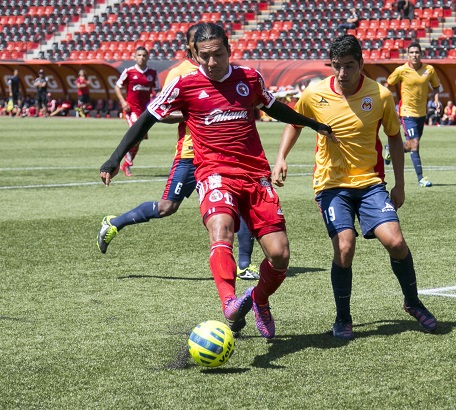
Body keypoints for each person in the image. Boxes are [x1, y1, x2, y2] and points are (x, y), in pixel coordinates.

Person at [98, 23, 333, 339]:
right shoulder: (184, 84)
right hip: (213, 173)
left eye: (218, 55)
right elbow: (147, 119)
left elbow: (273, 107)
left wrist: (312, 124)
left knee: (280, 255)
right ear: (194, 53)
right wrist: (115, 158)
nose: (211, 62)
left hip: (254, 175)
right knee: (220, 229)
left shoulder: (249, 78)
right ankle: (230, 304)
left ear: (229, 50)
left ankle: (259, 300)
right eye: (204, 56)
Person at [271, 35, 437, 339]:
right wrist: (281, 157)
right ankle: (343, 317)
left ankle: (413, 303)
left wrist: (399, 185)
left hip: (371, 184)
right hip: (331, 185)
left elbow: (394, 138)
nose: (343, 74)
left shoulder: (381, 95)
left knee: (396, 243)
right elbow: (294, 123)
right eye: (337, 67)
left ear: (361, 63)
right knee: (345, 247)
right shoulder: (314, 93)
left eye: (349, 66)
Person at [97, 24, 259, 280]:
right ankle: (114, 224)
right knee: (167, 207)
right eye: (200, 47)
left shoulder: (224, 69)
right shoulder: (180, 74)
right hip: (190, 153)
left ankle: (244, 264)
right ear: (190, 48)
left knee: (240, 203)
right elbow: (159, 113)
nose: (209, 55)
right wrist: (192, 111)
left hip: (223, 154)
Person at [385, 42, 440, 187]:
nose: (414, 55)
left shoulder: (429, 70)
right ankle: (421, 178)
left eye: (417, 52)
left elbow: (436, 87)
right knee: (415, 144)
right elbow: (388, 85)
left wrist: (437, 100)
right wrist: (386, 100)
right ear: (408, 55)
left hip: (421, 114)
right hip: (407, 112)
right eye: (412, 52)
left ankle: (389, 149)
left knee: (410, 145)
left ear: (421, 54)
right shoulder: (401, 70)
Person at [114, 46, 159, 177]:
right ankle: (127, 164)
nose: (141, 57)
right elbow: (117, 86)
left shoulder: (152, 73)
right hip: (131, 110)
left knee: (138, 139)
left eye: (144, 55)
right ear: (134, 57)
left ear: (148, 57)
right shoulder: (129, 71)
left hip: (145, 111)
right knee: (136, 136)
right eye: (139, 55)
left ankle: (127, 163)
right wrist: (123, 102)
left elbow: (157, 91)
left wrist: (155, 102)